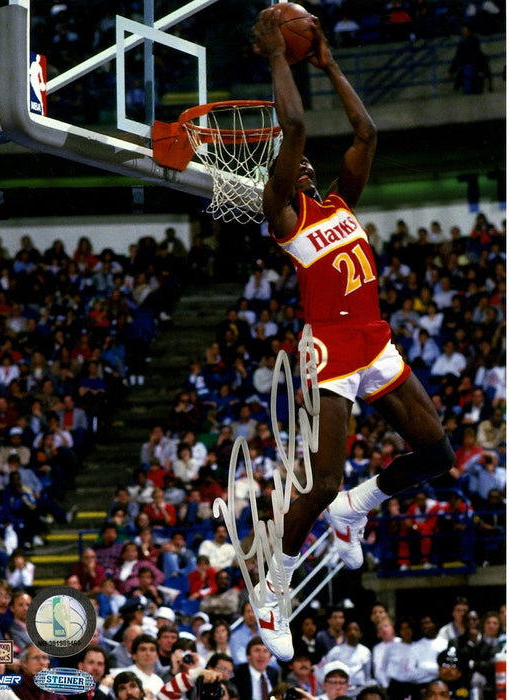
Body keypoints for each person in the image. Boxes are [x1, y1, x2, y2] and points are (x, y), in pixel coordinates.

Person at [250, 7, 455, 661]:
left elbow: (364, 132)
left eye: (309, 163)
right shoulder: (283, 214)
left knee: (436, 455)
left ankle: (355, 507)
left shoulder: (339, 204)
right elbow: (294, 126)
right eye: (295, 164)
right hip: (328, 347)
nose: (304, 164)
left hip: (372, 337)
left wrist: (329, 63)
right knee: (317, 482)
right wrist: (279, 56)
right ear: (283, 179)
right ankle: (270, 596)